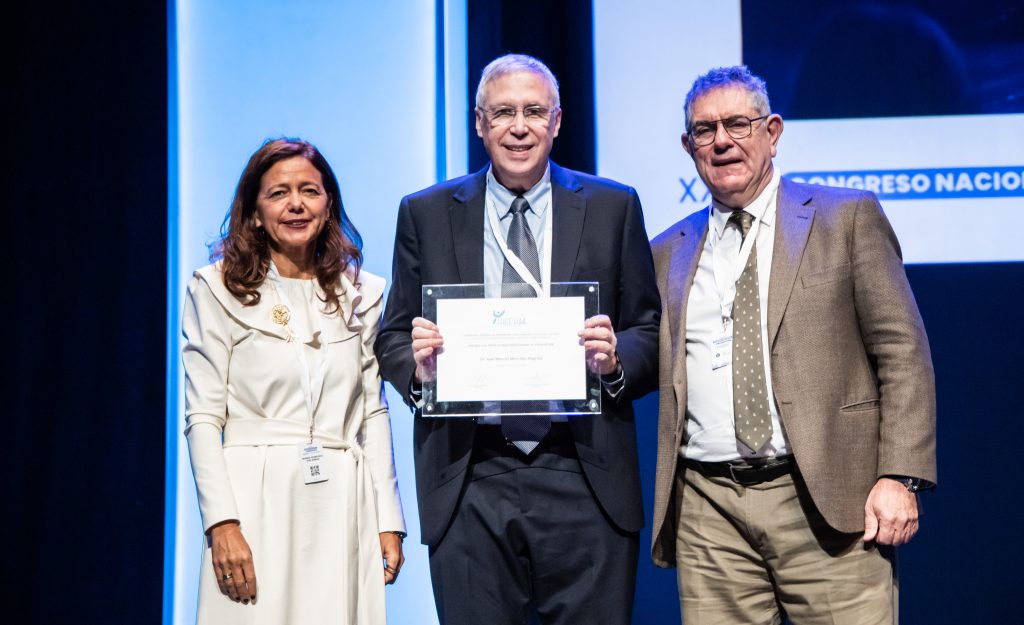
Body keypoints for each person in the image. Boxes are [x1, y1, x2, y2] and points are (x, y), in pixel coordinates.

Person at [374, 54, 660, 625]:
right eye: (503, 113)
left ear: (557, 121)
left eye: (534, 111)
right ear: (479, 123)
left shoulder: (612, 206)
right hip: (472, 472)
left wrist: (612, 360)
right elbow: (391, 338)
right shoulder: (425, 213)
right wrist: (420, 368)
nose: (519, 127)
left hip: (582, 469)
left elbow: (649, 332)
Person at [649, 65, 937, 624]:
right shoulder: (667, 250)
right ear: (688, 146)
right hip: (709, 513)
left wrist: (900, 475)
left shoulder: (845, 217)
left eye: (738, 123)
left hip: (829, 501)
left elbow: (903, 352)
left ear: (773, 132)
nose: (723, 141)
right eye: (705, 130)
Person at [182, 138, 406, 624]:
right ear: (255, 212)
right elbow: (202, 416)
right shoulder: (215, 289)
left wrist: (389, 520)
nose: (296, 204)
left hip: (341, 502)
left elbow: (373, 411)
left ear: (329, 206)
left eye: (310, 190)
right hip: (253, 501)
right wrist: (222, 523)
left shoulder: (361, 294)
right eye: (278, 193)